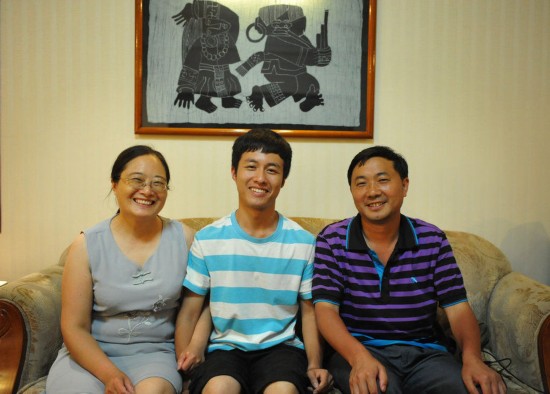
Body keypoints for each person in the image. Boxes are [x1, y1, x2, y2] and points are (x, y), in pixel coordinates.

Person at [312, 146, 507, 394]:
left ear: (404, 186)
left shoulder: (432, 240)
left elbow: (458, 310)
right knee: (374, 388)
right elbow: (326, 311)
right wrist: (358, 357)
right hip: (361, 349)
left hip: (426, 354)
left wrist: (473, 359)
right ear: (351, 191)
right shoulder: (333, 240)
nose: (372, 192)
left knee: (470, 388)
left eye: (382, 180)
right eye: (361, 184)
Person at [175, 128, 333, 394]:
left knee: (282, 391)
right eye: (251, 167)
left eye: (272, 170)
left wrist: (314, 363)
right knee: (218, 389)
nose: (260, 178)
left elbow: (309, 312)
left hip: (282, 349)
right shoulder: (208, 239)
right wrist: (185, 361)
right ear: (234, 172)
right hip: (224, 349)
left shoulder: (304, 243)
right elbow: (191, 310)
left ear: (283, 179)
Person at [46, 145, 208, 394]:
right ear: (114, 184)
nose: (147, 191)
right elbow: (74, 327)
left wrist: (192, 349)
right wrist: (110, 374)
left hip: (155, 354)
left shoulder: (185, 240)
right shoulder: (87, 244)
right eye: (137, 180)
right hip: (91, 354)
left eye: (158, 183)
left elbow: (206, 300)